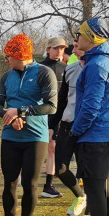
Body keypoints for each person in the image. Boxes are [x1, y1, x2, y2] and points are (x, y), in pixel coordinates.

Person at [64, 18, 109, 216]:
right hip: (108, 134)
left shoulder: (96, 65)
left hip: (96, 137)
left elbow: (90, 107)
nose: (77, 38)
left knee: (95, 192)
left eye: (81, 34)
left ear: (93, 38)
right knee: (105, 189)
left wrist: (75, 132)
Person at [0, 35, 58, 216]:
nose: (6, 60)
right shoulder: (6, 77)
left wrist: (21, 112)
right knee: (9, 182)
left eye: (8, 56)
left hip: (35, 138)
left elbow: (51, 106)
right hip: (10, 136)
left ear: (20, 55)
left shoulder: (43, 73)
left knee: (30, 183)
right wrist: (9, 118)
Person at [54, 46, 91, 216]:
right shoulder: (70, 69)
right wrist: (54, 124)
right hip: (67, 124)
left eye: (79, 46)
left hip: (87, 127)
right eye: (74, 46)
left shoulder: (96, 68)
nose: (76, 50)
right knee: (60, 168)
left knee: (89, 175)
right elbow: (62, 99)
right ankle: (80, 196)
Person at [39, 37, 68, 199]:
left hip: (58, 116)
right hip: (40, 115)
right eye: (56, 48)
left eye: (62, 48)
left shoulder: (67, 69)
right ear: (48, 48)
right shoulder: (39, 68)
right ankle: (24, 177)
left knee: (52, 149)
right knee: (34, 149)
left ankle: (48, 185)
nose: (59, 51)